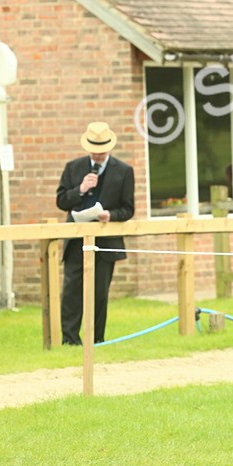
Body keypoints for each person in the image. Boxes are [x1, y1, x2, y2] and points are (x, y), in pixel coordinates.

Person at [55, 122, 136, 345]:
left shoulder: (124, 171)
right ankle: (70, 340)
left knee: (99, 293)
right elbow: (61, 201)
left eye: (101, 149)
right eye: (93, 148)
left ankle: (96, 340)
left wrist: (110, 215)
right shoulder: (73, 168)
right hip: (76, 241)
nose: (97, 154)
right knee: (71, 291)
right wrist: (79, 190)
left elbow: (128, 209)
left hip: (105, 242)